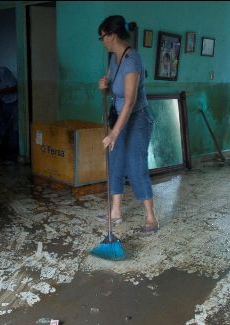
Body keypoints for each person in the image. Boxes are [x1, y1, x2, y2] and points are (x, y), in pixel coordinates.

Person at [97, 15, 158, 235]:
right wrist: (104, 85)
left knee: (135, 165)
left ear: (112, 35)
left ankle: (151, 218)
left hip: (138, 118)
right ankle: (115, 212)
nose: (102, 41)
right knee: (116, 161)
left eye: (103, 37)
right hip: (119, 116)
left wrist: (114, 133)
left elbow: (130, 101)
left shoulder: (133, 59)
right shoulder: (114, 59)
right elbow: (112, 87)